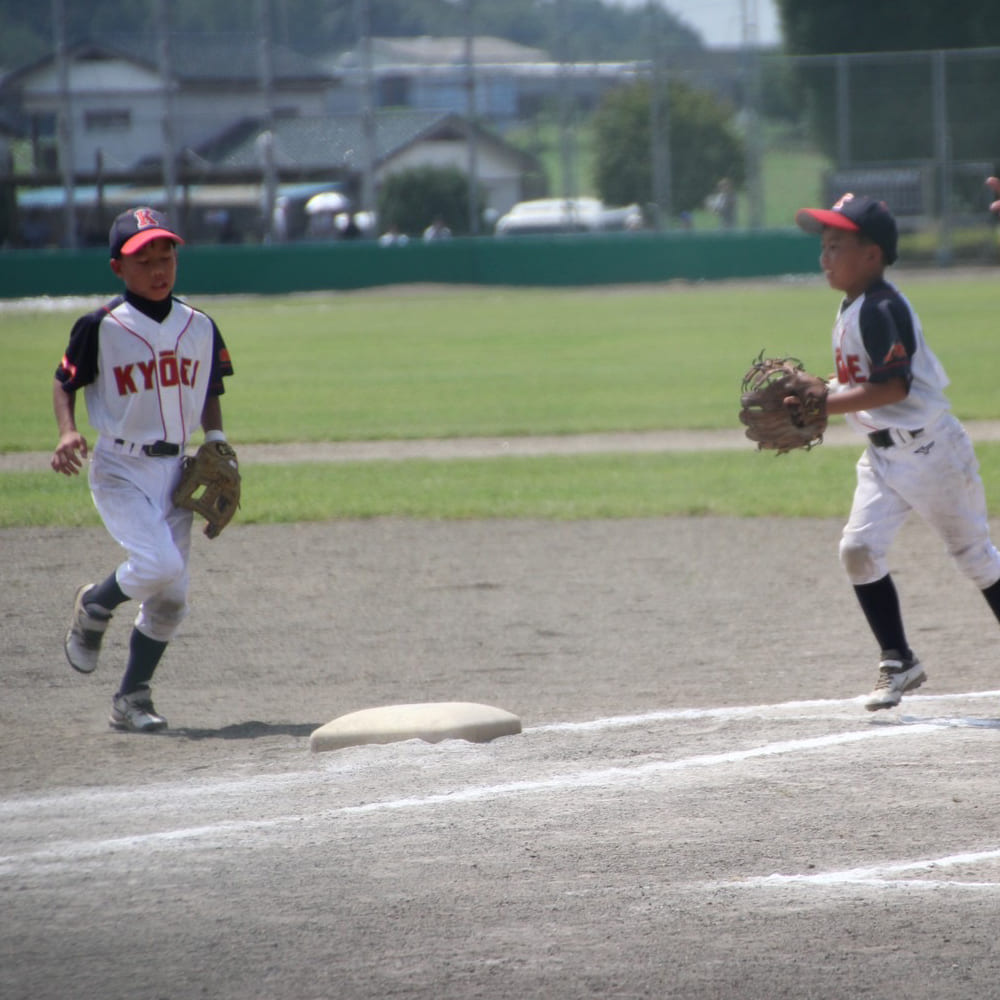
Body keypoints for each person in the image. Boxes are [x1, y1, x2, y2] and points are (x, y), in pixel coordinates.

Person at [794, 193, 1000, 711]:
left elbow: (894, 389)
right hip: (883, 457)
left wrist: (827, 402)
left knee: (976, 559)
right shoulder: (852, 307)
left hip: (932, 452)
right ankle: (898, 659)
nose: (825, 256)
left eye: (836, 244)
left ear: (872, 254)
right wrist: (820, 386)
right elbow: (861, 381)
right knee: (858, 550)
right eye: (823, 245)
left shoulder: (882, 307)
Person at [51, 206, 235, 732]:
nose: (159, 268)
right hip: (121, 467)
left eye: (166, 255)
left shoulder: (199, 325)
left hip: (177, 470)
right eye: (144, 259)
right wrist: (67, 431)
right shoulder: (100, 326)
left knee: (172, 600)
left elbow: (210, 391)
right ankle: (94, 604)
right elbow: (65, 382)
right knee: (157, 567)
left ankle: (131, 698)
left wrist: (217, 440)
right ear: (118, 268)